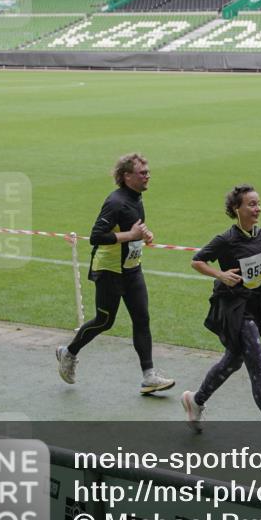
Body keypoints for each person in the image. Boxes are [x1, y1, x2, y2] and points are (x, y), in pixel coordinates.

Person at [181, 184, 261, 447]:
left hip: (256, 304)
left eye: (258, 203)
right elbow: (197, 260)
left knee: (234, 360)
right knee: (259, 367)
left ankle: (196, 400)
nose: (257, 208)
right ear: (236, 209)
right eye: (251, 204)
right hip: (234, 308)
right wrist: (221, 275)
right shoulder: (226, 240)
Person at [55, 153, 174, 395]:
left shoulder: (136, 198)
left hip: (132, 269)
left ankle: (149, 376)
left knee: (142, 318)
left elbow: (133, 227)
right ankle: (68, 352)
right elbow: (97, 236)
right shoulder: (115, 202)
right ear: (127, 176)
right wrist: (131, 236)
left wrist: (144, 234)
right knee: (104, 321)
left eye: (148, 171)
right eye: (142, 172)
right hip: (109, 271)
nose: (148, 175)